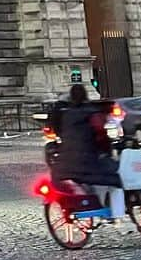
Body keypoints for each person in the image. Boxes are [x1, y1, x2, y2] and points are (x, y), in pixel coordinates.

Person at [53, 83, 126, 226]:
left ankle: (97, 203)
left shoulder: (66, 114)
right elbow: (102, 136)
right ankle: (117, 216)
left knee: (96, 178)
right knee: (116, 179)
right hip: (86, 161)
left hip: (65, 163)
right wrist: (108, 149)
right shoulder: (92, 113)